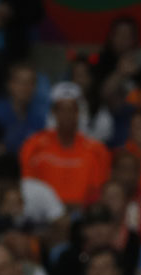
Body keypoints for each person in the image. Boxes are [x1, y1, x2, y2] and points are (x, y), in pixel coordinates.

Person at [18, 82, 111, 210]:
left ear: (79, 112)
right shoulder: (33, 145)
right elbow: (28, 188)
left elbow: (98, 192)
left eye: (72, 109)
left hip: (84, 216)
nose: (66, 114)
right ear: (53, 112)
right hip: (44, 217)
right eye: (61, 109)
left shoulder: (97, 150)